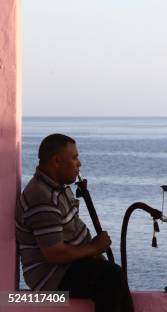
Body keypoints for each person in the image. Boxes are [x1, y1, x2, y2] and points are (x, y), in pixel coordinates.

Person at [15, 133, 133, 312]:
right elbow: (54, 254)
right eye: (74, 157)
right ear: (56, 161)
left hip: (67, 267)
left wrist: (95, 253)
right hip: (51, 277)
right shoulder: (41, 196)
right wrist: (94, 248)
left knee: (115, 276)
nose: (79, 163)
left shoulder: (58, 189)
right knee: (111, 278)